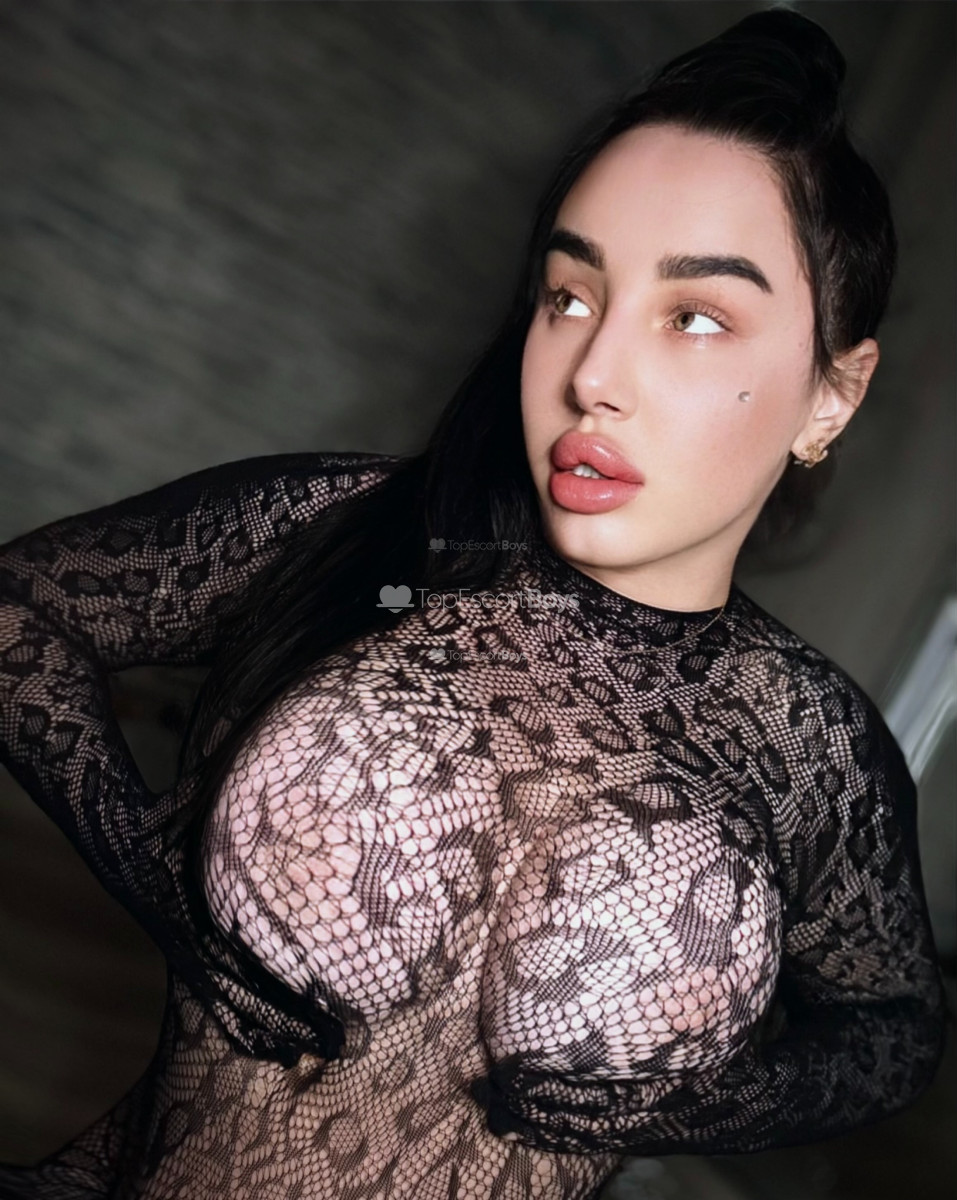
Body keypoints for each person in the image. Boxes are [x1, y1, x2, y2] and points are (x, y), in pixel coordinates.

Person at [0, 7, 950, 1199]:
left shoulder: (815, 746)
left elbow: (893, 1029)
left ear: (832, 396)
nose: (592, 374)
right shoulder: (350, 531)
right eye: (570, 294)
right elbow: (19, 609)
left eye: (695, 317)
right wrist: (143, 861)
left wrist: (718, 1097)